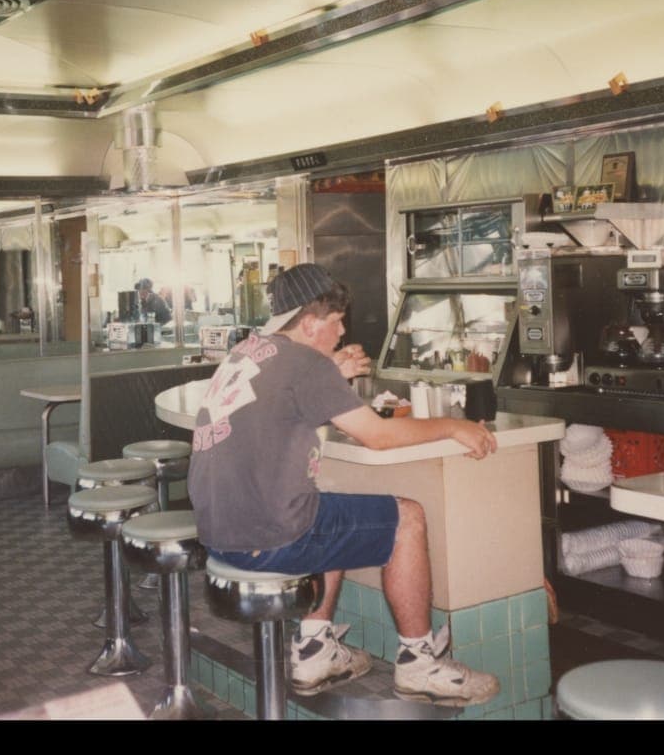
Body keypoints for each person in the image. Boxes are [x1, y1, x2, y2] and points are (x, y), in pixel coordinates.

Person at [188, 263, 501, 707]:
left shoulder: (249, 351)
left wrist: (332, 371)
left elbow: (284, 399)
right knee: (406, 517)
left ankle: (316, 650)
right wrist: (454, 426)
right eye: (336, 322)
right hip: (268, 536)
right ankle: (420, 663)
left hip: (219, 535)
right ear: (311, 323)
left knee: (326, 510)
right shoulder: (308, 364)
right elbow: (379, 435)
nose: (341, 332)